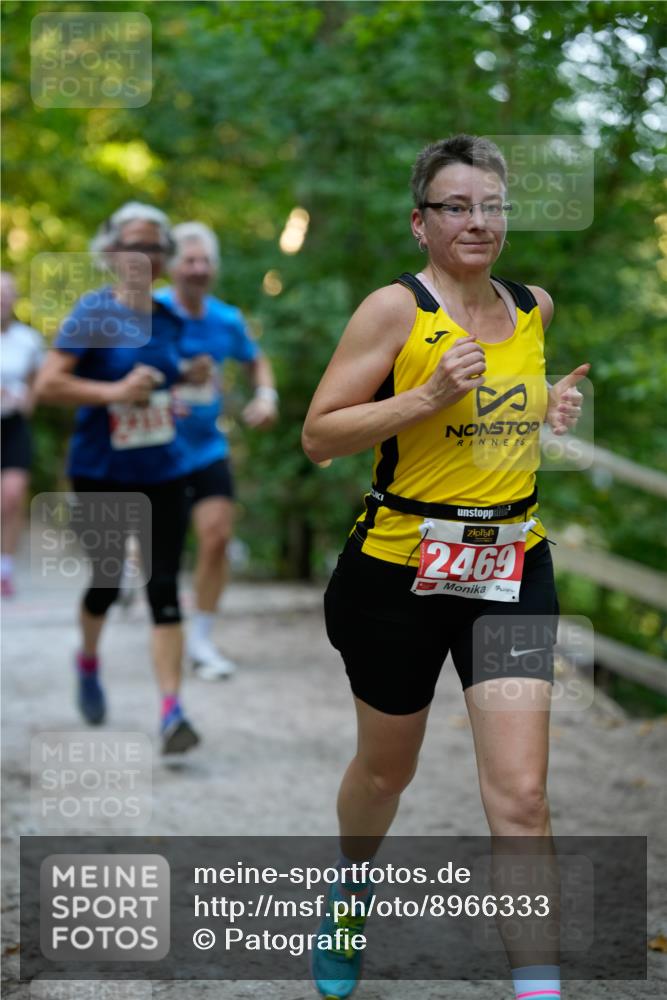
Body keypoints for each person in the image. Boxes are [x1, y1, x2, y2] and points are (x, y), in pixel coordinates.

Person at [302, 135, 589, 1000]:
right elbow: (319, 435)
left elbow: (498, 420)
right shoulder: (393, 311)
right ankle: (349, 888)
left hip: (509, 566)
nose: (478, 221)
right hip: (399, 572)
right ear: (420, 222)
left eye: (491, 205)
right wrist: (424, 396)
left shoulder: (529, 307)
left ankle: (537, 987)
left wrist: (547, 409)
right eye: (456, 206)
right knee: (387, 771)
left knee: (522, 795)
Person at [35, 202, 208, 754]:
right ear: (110, 252)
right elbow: (48, 386)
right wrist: (113, 394)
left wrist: (185, 382)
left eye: (154, 246)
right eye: (132, 244)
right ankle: (87, 662)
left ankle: (171, 712)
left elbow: (168, 381)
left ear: (165, 258)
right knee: (107, 581)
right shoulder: (91, 314)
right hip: (101, 471)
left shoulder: (174, 319)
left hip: (164, 468)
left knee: (163, 588)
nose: (143, 255)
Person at [154, 222, 278, 680]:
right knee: (159, 551)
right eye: (190, 260)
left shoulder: (225, 319)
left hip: (206, 447)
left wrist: (266, 397)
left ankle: (201, 640)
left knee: (217, 536)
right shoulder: (149, 313)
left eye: (206, 261)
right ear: (171, 265)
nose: (199, 268)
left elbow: (255, 360)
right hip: (154, 449)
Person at [0, 272, 45, 597]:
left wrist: (26, 403)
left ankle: (5, 568)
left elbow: (37, 380)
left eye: (7, 293)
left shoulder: (28, 339)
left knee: (13, 496)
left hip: (14, 426)